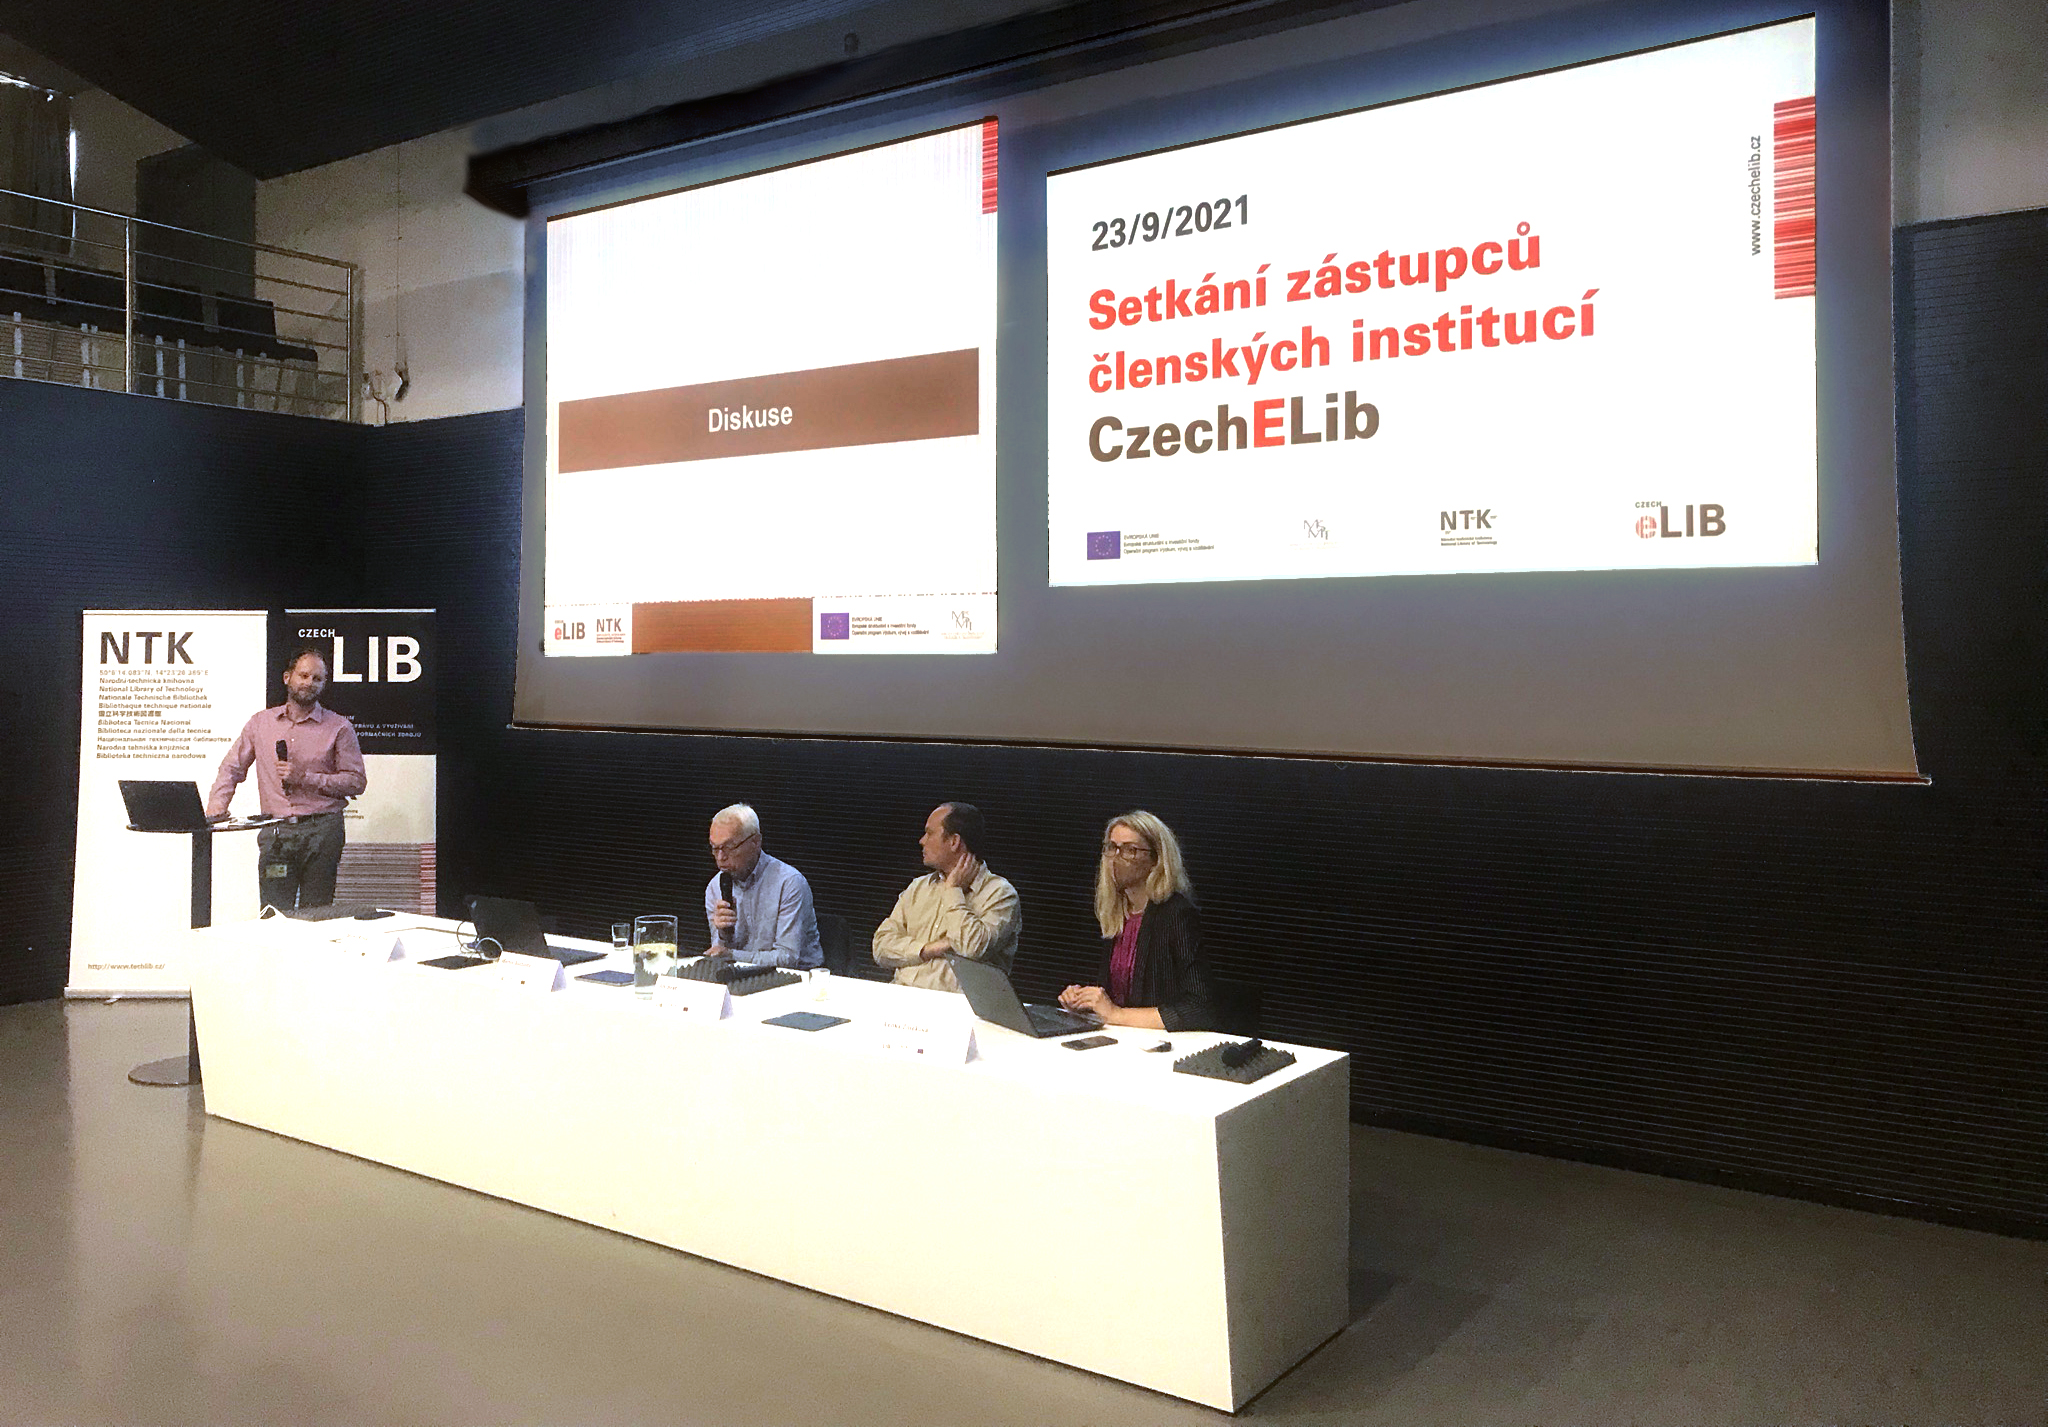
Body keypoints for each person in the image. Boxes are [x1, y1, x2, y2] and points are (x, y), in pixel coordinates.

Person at [206, 648, 367, 911]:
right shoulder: (260, 724)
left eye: (317, 679)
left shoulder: (339, 727)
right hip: (276, 832)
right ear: (287, 677)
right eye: (304, 675)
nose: (309, 683)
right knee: (273, 915)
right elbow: (231, 768)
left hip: (323, 832)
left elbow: (356, 782)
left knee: (316, 915)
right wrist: (216, 809)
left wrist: (304, 778)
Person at [1059, 811, 1219, 1031]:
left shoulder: (1176, 913)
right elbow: (1112, 997)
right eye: (1112, 847)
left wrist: (1116, 1013)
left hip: (1158, 1042)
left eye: (1130, 850)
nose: (1115, 858)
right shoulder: (1114, 912)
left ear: (1156, 859)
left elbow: (1199, 1009)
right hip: (1121, 1036)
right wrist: (1083, 1000)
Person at [872, 802, 1021, 993]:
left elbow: (972, 949)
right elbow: (881, 947)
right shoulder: (918, 887)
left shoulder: (1000, 893)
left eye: (929, 833)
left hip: (957, 1005)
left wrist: (953, 890)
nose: (922, 841)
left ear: (954, 841)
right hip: (902, 995)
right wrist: (928, 949)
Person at [702, 802, 822, 969]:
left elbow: (787, 958)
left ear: (755, 842)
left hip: (798, 976)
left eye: (729, 847)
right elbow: (719, 953)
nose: (721, 857)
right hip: (742, 975)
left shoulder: (789, 883)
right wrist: (723, 934)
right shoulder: (715, 887)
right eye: (715, 848)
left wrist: (731, 955)